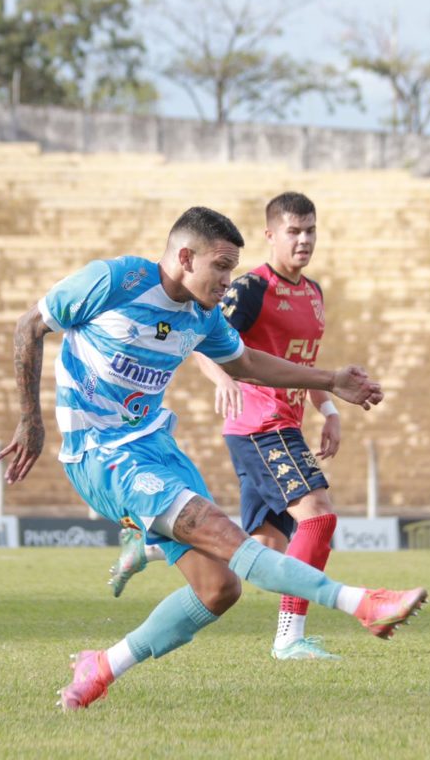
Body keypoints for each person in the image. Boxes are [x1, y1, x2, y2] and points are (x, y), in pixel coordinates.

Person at [0, 206, 427, 711]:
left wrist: (330, 381)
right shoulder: (114, 281)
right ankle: (363, 604)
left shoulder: (200, 316)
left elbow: (244, 362)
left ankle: (103, 666)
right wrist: (32, 419)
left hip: (156, 447)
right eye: (221, 267)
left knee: (219, 589)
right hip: (102, 456)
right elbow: (29, 326)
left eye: (232, 268)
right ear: (184, 257)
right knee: (229, 536)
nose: (228, 280)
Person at [110, 192, 348, 662]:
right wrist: (222, 377)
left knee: (262, 545)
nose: (304, 241)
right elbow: (201, 337)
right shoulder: (249, 288)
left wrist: (330, 408)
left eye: (311, 230)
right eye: (293, 232)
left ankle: (149, 547)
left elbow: (303, 362)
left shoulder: (314, 293)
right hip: (260, 424)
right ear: (271, 235)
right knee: (318, 515)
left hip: (287, 423)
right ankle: (289, 637)